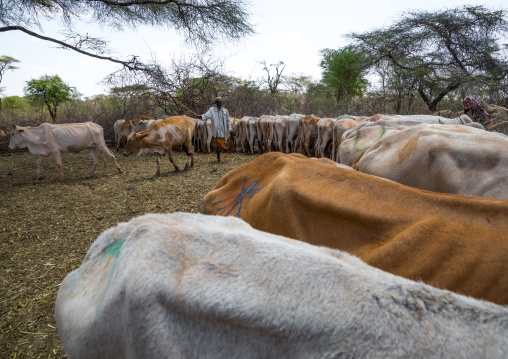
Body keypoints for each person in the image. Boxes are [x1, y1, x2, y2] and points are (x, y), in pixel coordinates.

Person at [198, 97, 232, 163]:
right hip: (216, 131)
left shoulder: (225, 111)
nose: (219, 104)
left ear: (222, 103)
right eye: (218, 102)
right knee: (217, 146)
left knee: (220, 145)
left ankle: (222, 151)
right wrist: (201, 117)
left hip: (223, 131)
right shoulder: (212, 110)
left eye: (220, 102)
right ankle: (219, 158)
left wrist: (230, 129)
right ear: (215, 103)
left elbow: (228, 121)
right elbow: (206, 115)